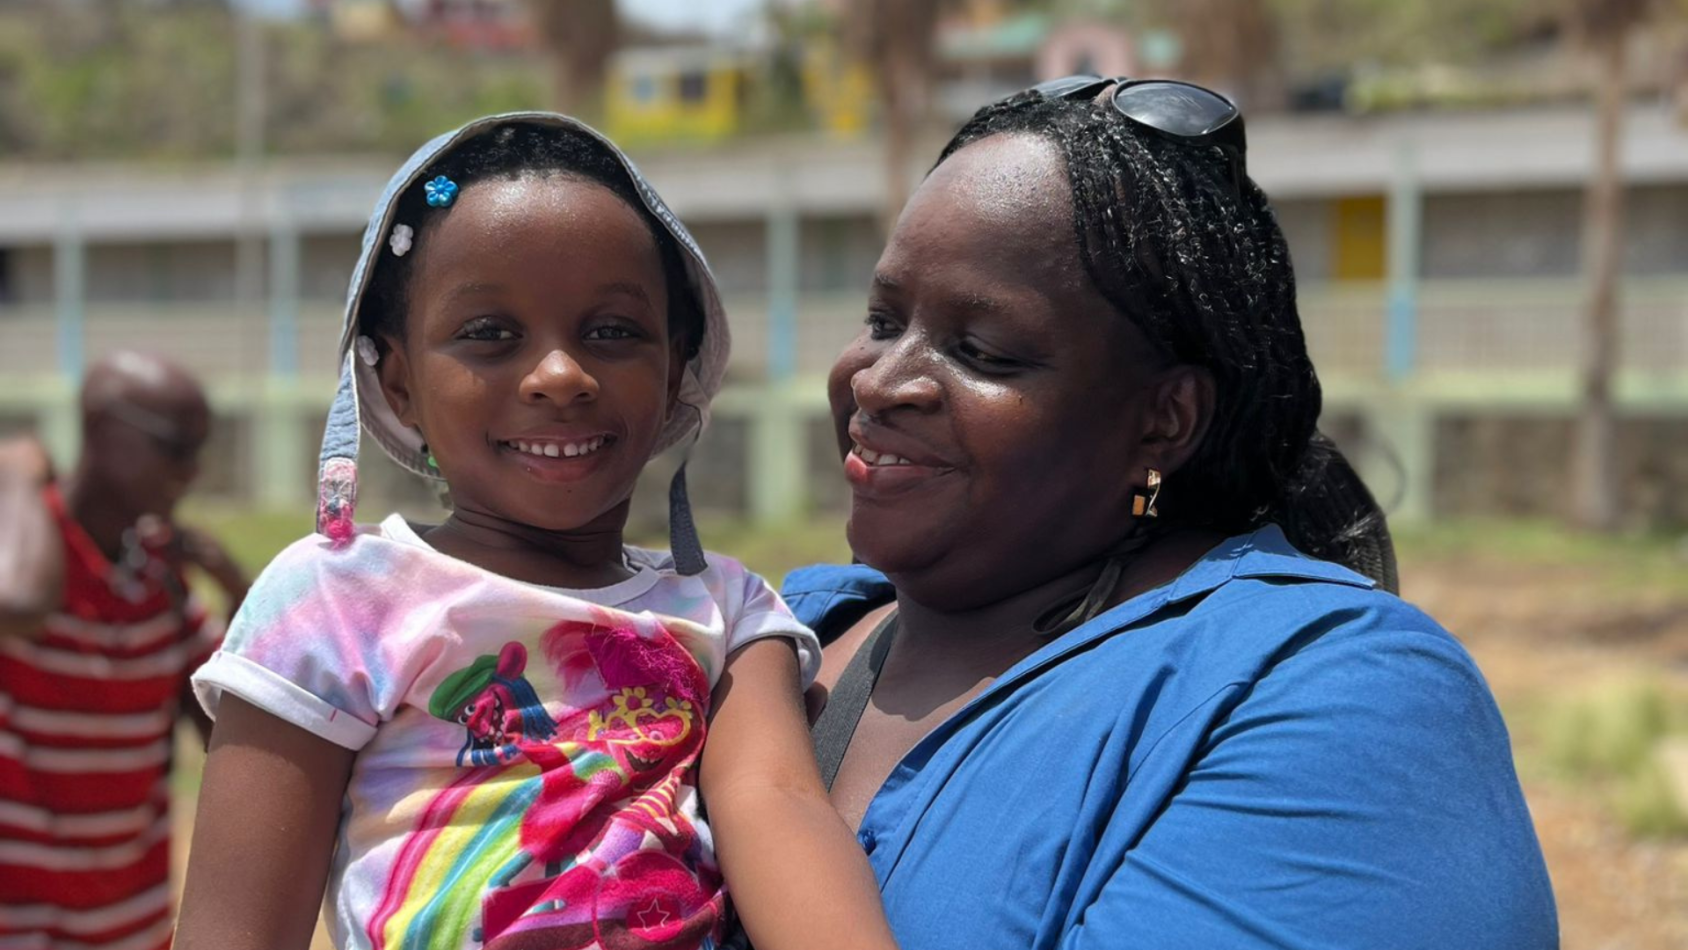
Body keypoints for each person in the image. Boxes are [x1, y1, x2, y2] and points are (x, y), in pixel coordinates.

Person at [782, 78, 1558, 949]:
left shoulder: (1324, 694)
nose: (880, 382)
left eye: (982, 351)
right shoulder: (761, 641)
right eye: (884, 321)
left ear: (1165, 419)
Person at [176, 114, 897, 950]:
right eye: (490, 335)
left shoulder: (728, 614)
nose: (560, 376)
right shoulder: (335, 600)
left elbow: (780, 811)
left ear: (676, 367)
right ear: (399, 380)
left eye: (614, 332)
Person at [0, 352, 246, 950]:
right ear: (104, 429)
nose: (191, 470)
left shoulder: (158, 578)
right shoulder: (25, 547)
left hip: (128, 922)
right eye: (175, 446)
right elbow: (21, 600)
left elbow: (228, 728)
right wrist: (14, 474)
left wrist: (234, 583)